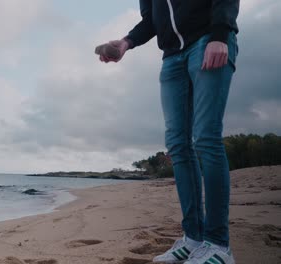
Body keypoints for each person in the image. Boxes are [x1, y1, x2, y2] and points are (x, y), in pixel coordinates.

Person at [98, 1, 239, 263]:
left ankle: (219, 245)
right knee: (177, 145)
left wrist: (220, 33)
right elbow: (152, 20)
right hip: (172, 57)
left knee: (206, 138)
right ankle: (194, 239)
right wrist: (126, 42)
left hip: (208, 40)